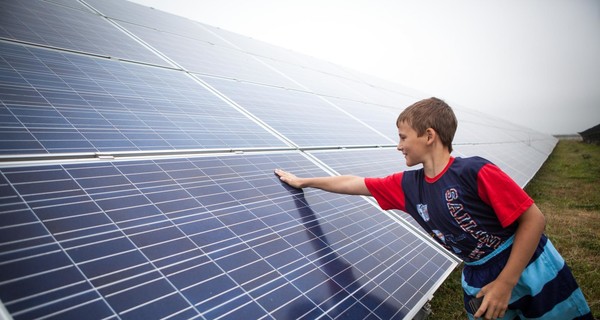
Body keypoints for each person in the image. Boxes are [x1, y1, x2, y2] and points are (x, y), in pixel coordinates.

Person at [274, 97, 592, 320]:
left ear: (429, 135)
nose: (398, 145)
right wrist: (305, 181)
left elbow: (533, 220)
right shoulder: (407, 186)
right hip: (478, 272)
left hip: (531, 266)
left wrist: (507, 282)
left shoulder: (474, 171)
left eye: (402, 137)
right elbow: (353, 183)